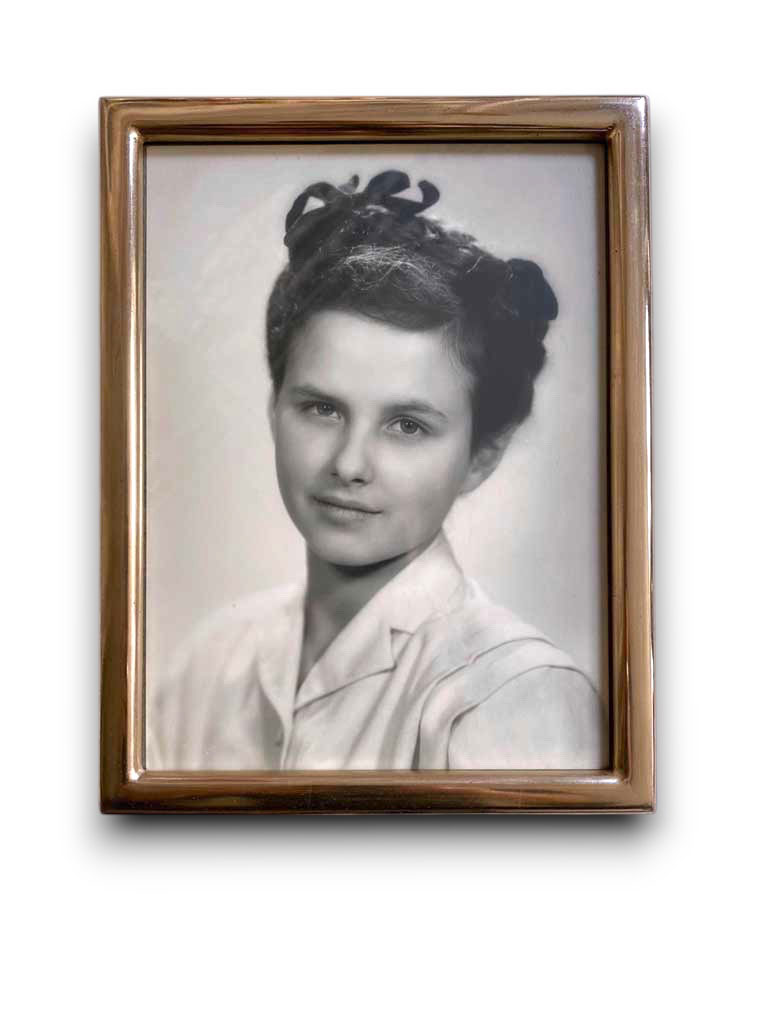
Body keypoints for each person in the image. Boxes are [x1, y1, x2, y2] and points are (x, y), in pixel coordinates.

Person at [147, 169, 606, 770]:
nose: (348, 464)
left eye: (407, 425)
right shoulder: (207, 666)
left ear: (482, 455)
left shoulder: (510, 696)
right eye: (322, 408)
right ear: (275, 408)